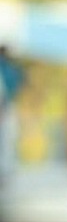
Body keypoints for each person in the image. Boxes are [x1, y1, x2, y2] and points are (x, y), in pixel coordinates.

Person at [0, 45, 25, 183]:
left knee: (6, 142)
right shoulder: (10, 69)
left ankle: (4, 172)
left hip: (6, 108)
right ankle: (4, 172)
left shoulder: (10, 69)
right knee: (6, 143)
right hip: (6, 109)